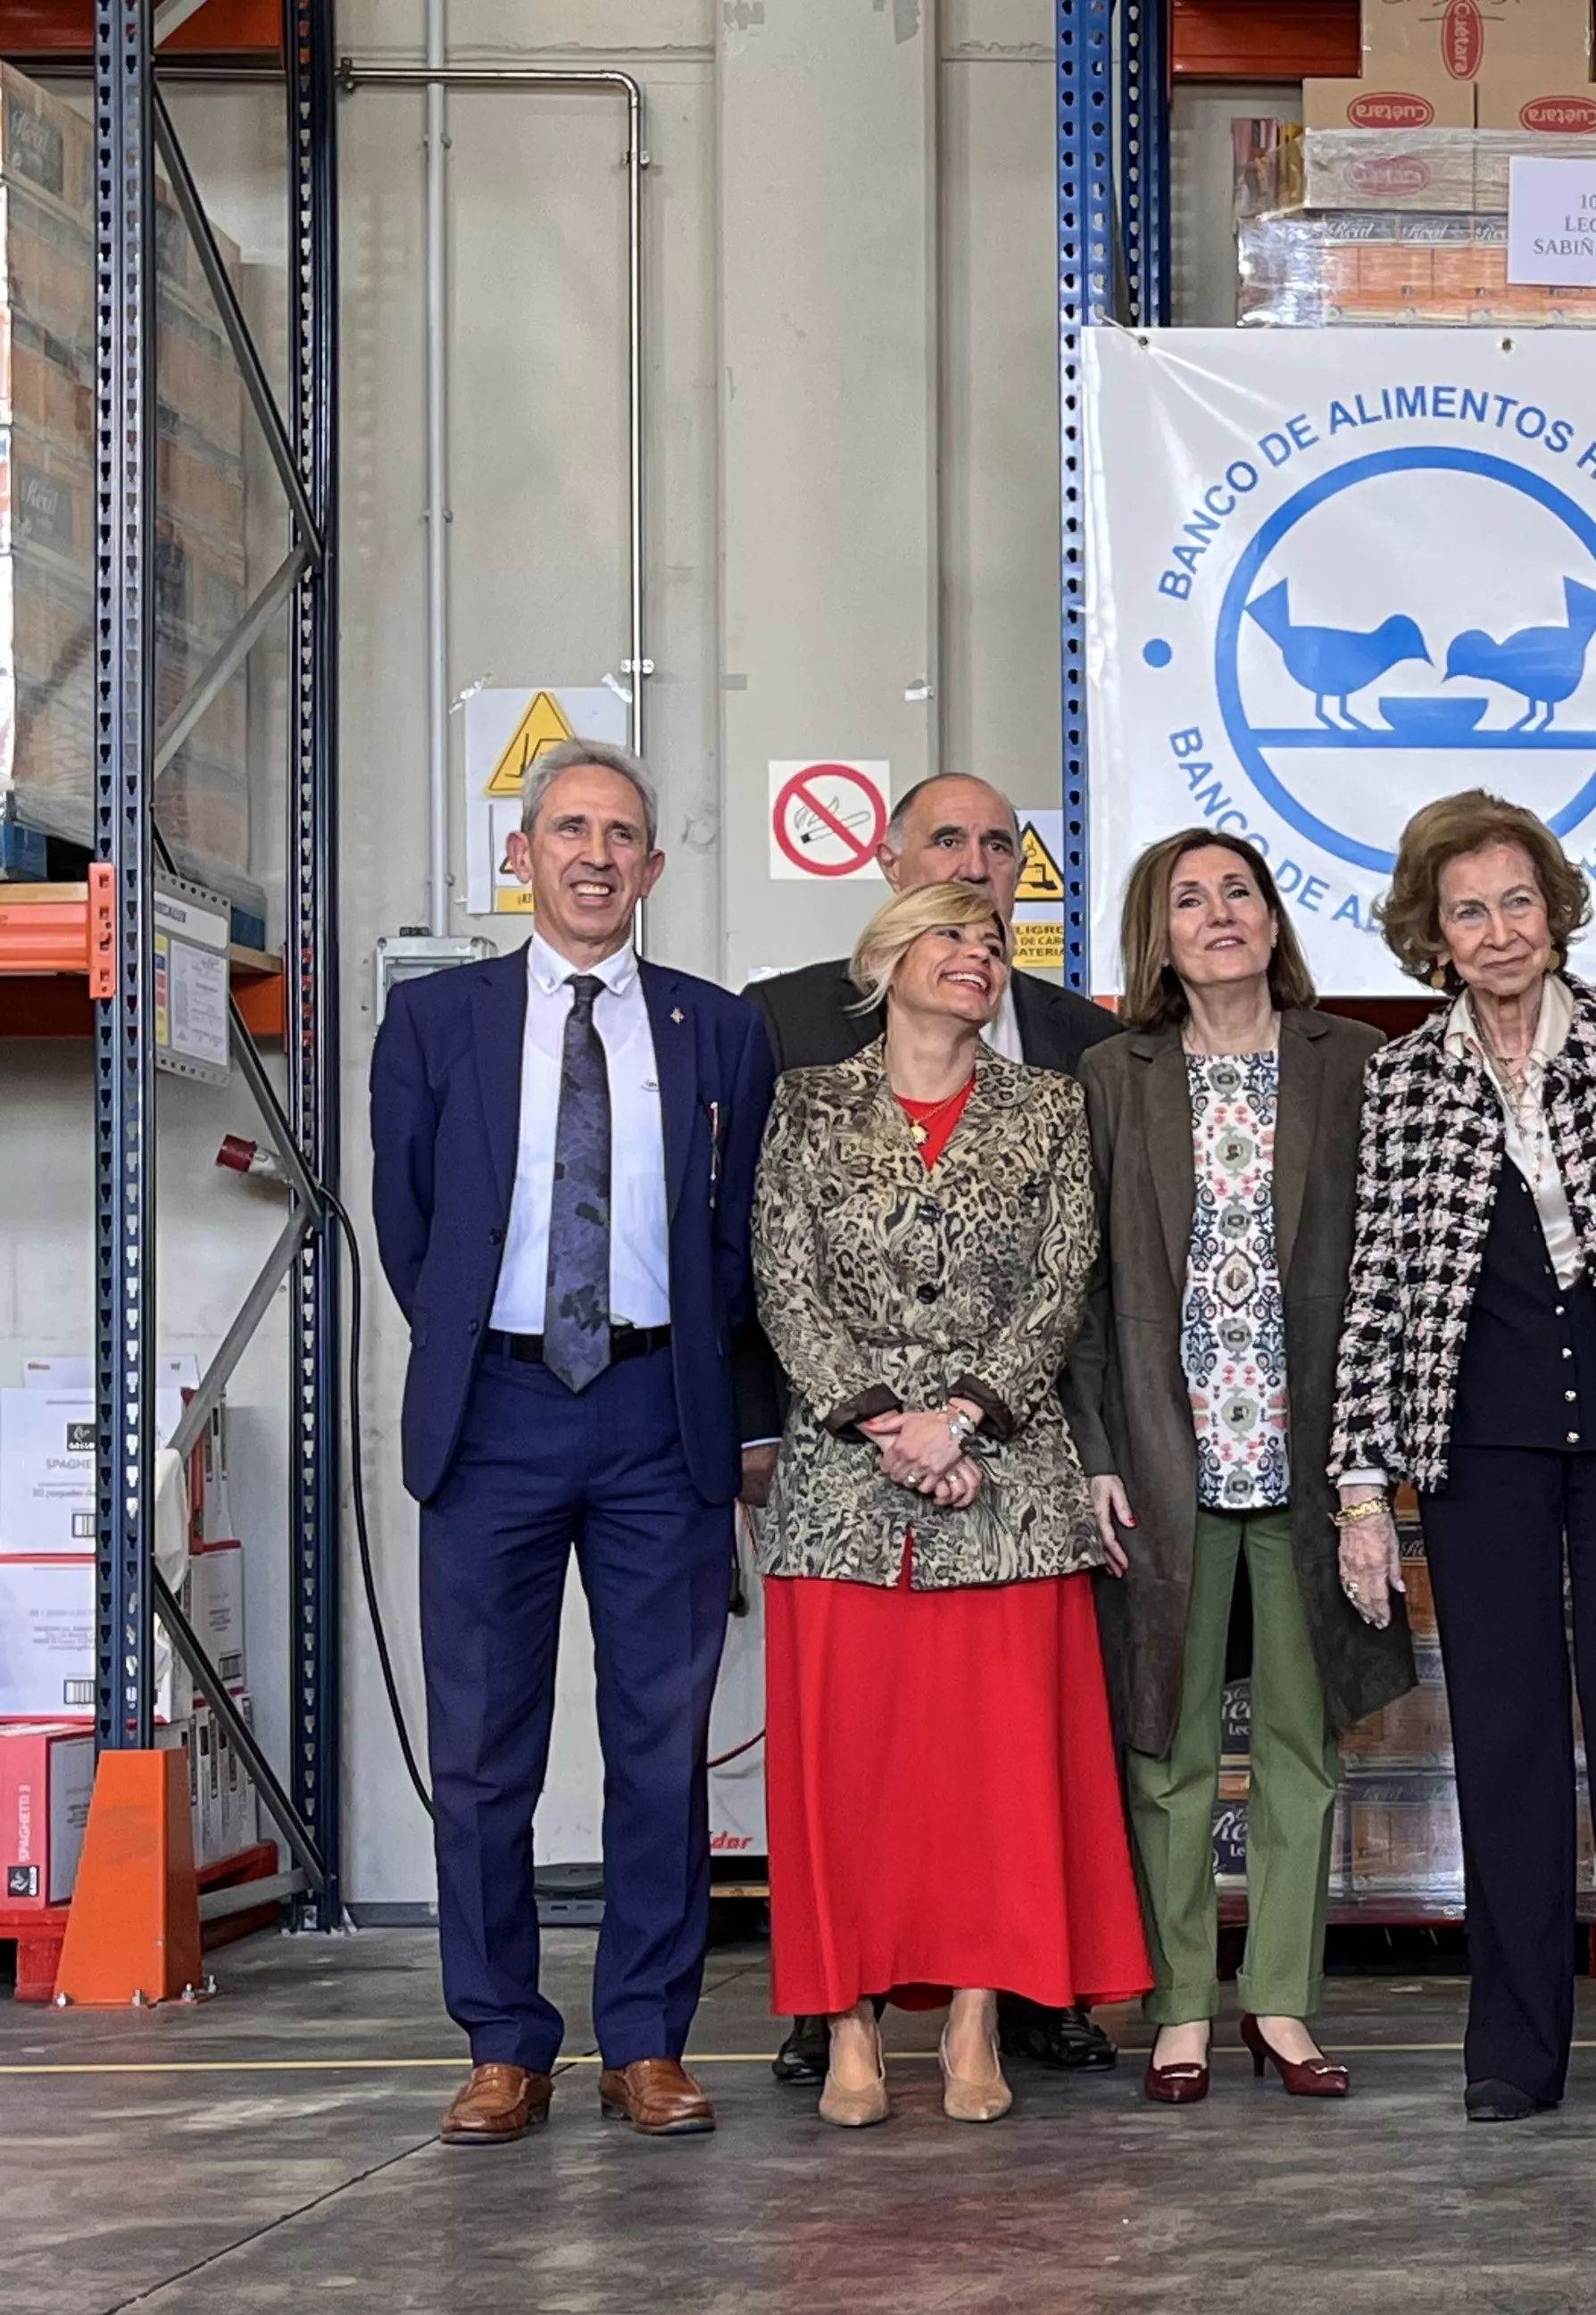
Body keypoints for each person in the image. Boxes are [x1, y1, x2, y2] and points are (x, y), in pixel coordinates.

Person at [1331, 791, 1596, 2123]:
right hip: (1479, 1444)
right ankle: (1512, 2051)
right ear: (1434, 934)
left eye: (1518, 901)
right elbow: (1380, 1287)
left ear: (1554, 911)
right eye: (1469, 910)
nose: (1500, 929)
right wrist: (1361, 1481)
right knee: (1504, 1747)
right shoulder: (1403, 1077)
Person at [369, 738, 776, 2147]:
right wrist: (488, 1353)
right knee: (484, 1749)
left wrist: (718, 1401)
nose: (596, 855)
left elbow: (736, 1247)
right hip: (494, 1415)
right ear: (523, 858)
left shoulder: (718, 1031)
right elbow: (410, 1227)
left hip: (662, 1417)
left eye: (623, 836)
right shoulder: (436, 1023)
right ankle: (501, 2042)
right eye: (570, 831)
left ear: (654, 870)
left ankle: (646, 2041)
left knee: (659, 1747)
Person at [743, 770, 1121, 2086]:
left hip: (1007, 1482)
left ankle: (974, 2015)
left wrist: (960, 1417)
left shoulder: (1052, 1104)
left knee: (993, 1777)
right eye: (950, 933)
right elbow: (782, 1281)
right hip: (844, 1491)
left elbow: (1062, 1282)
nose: (977, 955)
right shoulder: (805, 1100)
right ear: (886, 951)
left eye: (991, 935)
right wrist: (883, 1421)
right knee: (848, 1777)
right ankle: (844, 2024)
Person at [1065, 829, 1415, 2105]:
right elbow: (1083, 1292)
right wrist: (1097, 1454)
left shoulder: (1352, 1065)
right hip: (1166, 1459)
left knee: (1298, 1741)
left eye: (1241, 893)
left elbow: (1385, 1279)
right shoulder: (1114, 1074)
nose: (1219, 914)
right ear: (1156, 933)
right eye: (1189, 898)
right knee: (1159, 1743)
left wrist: (1369, 1472)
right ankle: (1176, 2008)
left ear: (1276, 919)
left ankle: (1277, 2001)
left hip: (1309, 1457)